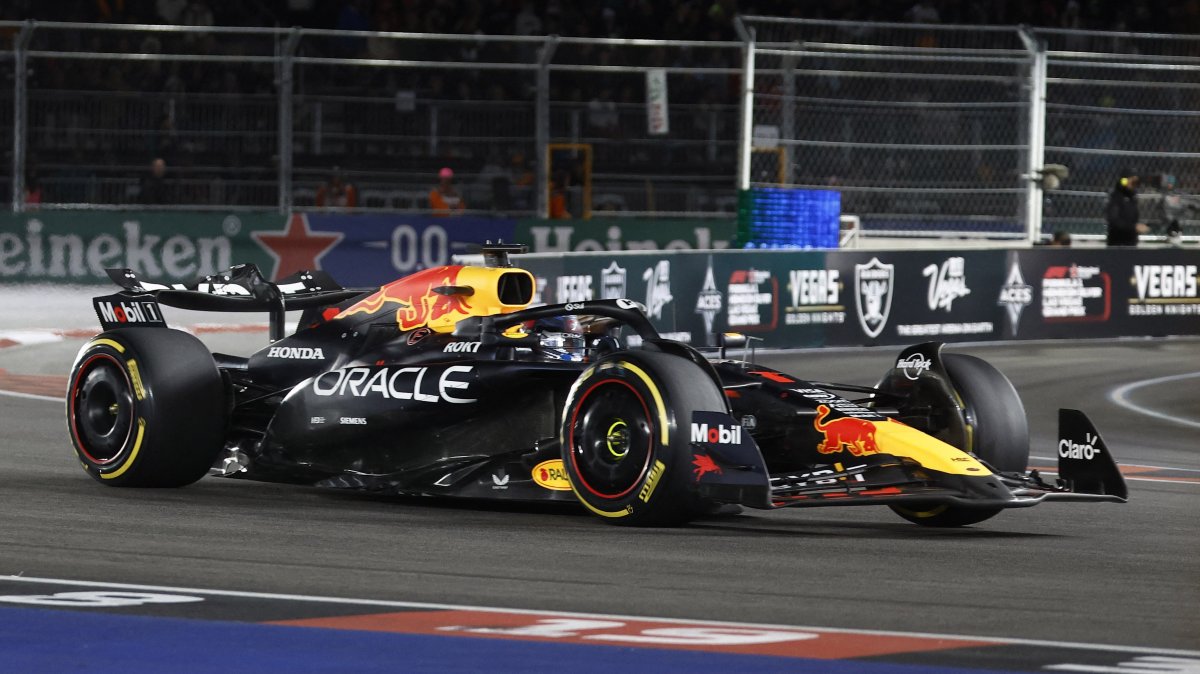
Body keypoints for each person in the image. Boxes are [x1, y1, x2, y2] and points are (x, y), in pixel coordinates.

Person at [1105, 168, 1149, 246]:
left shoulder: (1132, 197)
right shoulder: (1116, 197)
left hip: (1130, 242)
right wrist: (1133, 227)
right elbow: (1114, 221)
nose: (1134, 184)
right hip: (1117, 242)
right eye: (1132, 181)